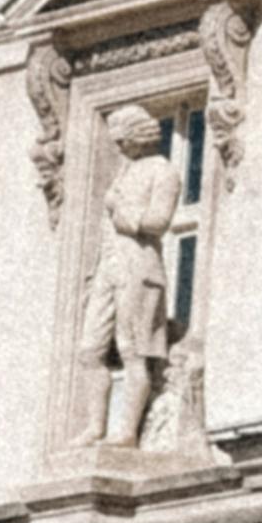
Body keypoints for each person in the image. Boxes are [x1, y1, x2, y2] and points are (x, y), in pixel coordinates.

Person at [84, 103, 186, 455]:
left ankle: (126, 431)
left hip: (140, 269)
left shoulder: (164, 171)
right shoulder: (123, 173)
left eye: (122, 140)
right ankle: (95, 427)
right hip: (109, 269)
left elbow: (158, 222)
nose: (117, 147)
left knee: (133, 352)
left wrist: (118, 210)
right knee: (89, 350)